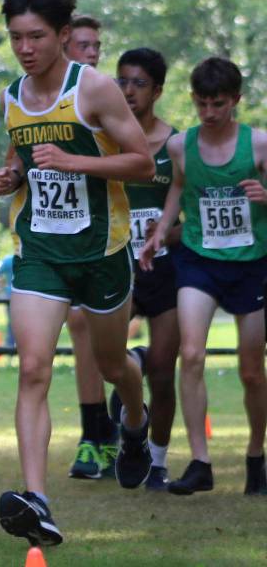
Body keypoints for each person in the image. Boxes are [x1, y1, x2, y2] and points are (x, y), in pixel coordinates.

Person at [0, 0, 153, 547]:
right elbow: (23, 163)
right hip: (41, 252)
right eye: (15, 38)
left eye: (35, 36)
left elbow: (142, 165)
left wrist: (75, 163)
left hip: (101, 252)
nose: (25, 49)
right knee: (33, 367)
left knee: (113, 367)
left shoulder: (95, 90)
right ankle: (36, 499)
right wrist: (7, 177)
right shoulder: (13, 97)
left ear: (62, 34)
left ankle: (134, 423)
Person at [139, 57, 267, 496]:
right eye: (202, 104)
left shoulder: (260, 145)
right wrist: (160, 231)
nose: (210, 113)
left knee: (252, 371)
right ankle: (200, 462)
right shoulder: (181, 146)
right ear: (193, 100)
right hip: (199, 259)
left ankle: (255, 455)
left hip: (253, 263)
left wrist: (264, 196)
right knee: (191, 354)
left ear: (235, 101)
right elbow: (177, 186)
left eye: (219, 104)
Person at [116, 48, 181, 490]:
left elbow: (191, 214)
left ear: (157, 90)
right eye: (122, 81)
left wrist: (163, 234)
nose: (128, 91)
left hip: (164, 268)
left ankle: (157, 460)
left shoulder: (177, 144)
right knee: (109, 360)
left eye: (139, 83)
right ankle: (130, 432)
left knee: (162, 369)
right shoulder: (107, 139)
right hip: (117, 265)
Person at [62, 12, 120, 480]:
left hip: (121, 241)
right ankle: (94, 436)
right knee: (80, 326)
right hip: (70, 243)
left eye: (97, 46)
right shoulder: (38, 103)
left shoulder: (109, 97)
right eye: (84, 44)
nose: (93, 52)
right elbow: (20, 163)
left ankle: (131, 417)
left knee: (117, 356)